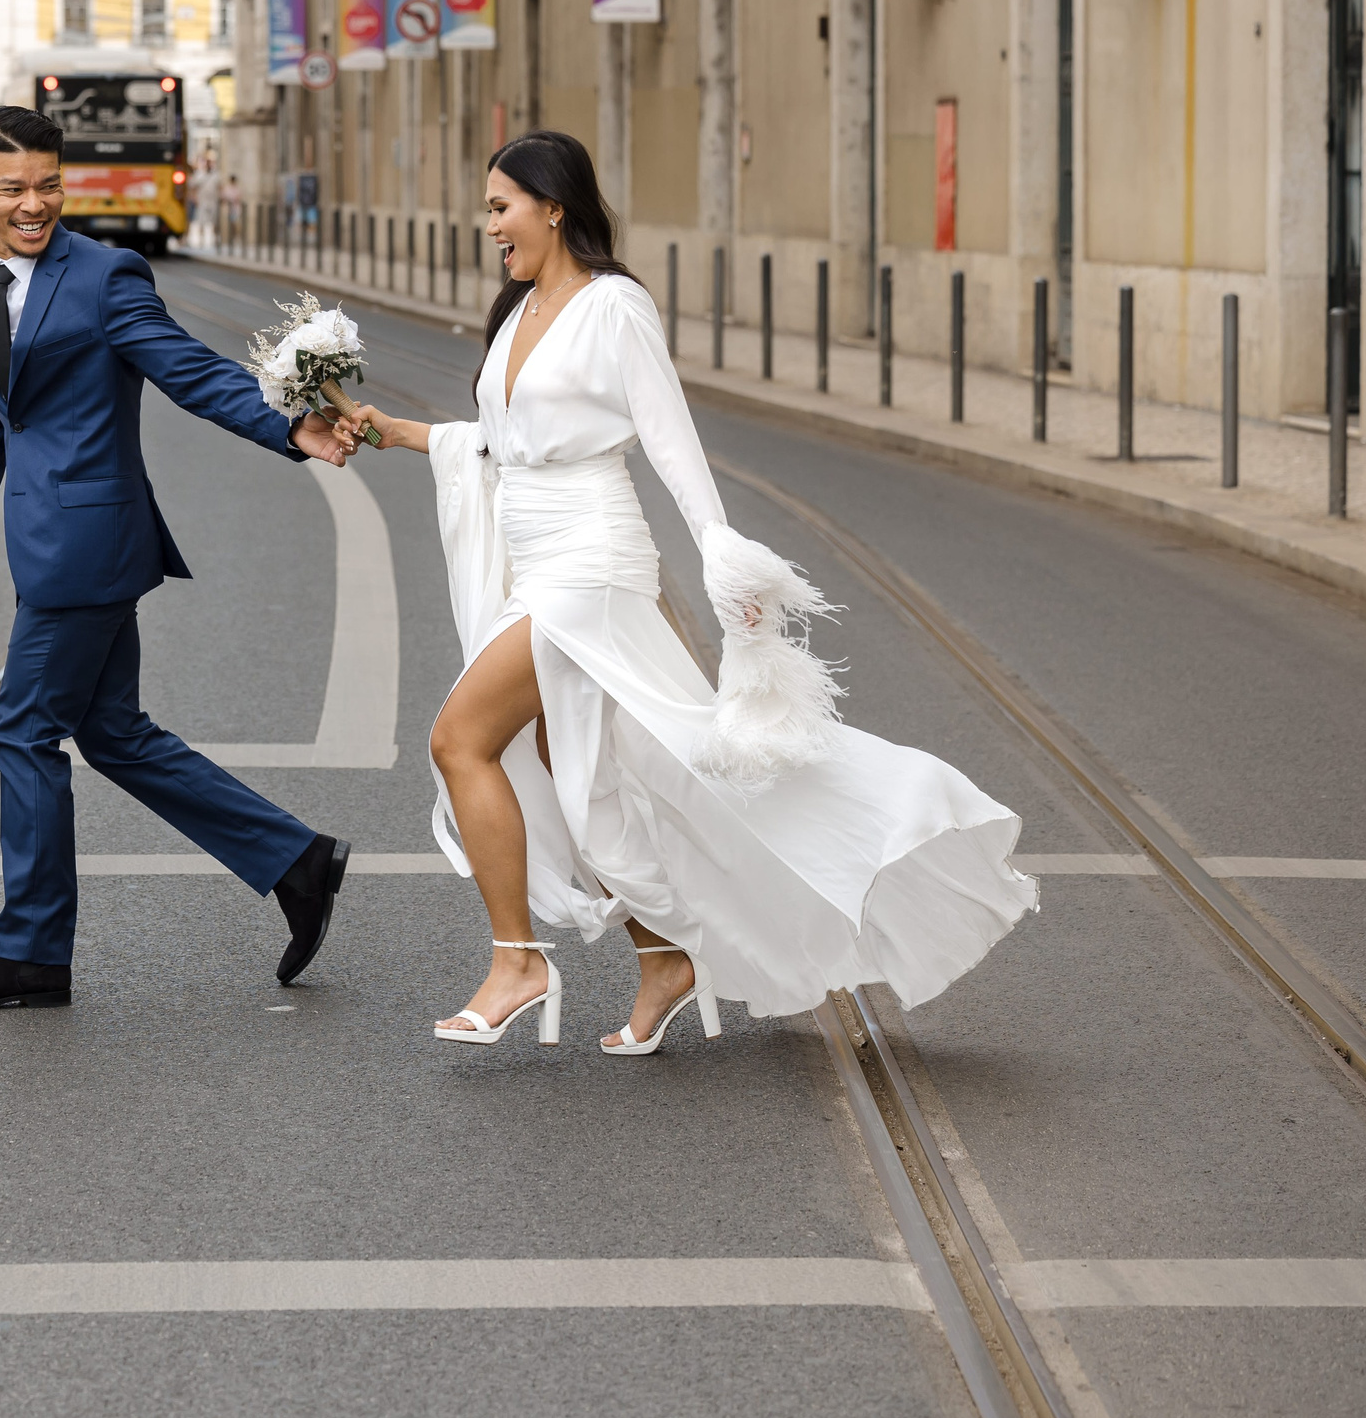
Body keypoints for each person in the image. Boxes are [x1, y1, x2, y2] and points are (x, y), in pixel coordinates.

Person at [342, 130, 1033, 1052]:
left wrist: (717, 546)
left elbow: (668, 437)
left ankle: (518, 961)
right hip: (537, 563)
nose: (492, 226)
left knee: (460, 738)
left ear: (554, 206)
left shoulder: (614, 306)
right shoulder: (519, 313)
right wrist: (399, 431)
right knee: (578, 772)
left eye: (501, 206)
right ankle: (662, 953)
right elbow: (502, 444)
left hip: (591, 562)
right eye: (488, 211)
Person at [0, 105, 361, 1011]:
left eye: (48, 184)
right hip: (50, 538)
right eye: (13, 188)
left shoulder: (106, 275)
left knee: (24, 731)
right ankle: (296, 860)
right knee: (112, 733)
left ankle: (32, 950)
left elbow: (189, 370)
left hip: (88, 543)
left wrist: (292, 425)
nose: (34, 204)